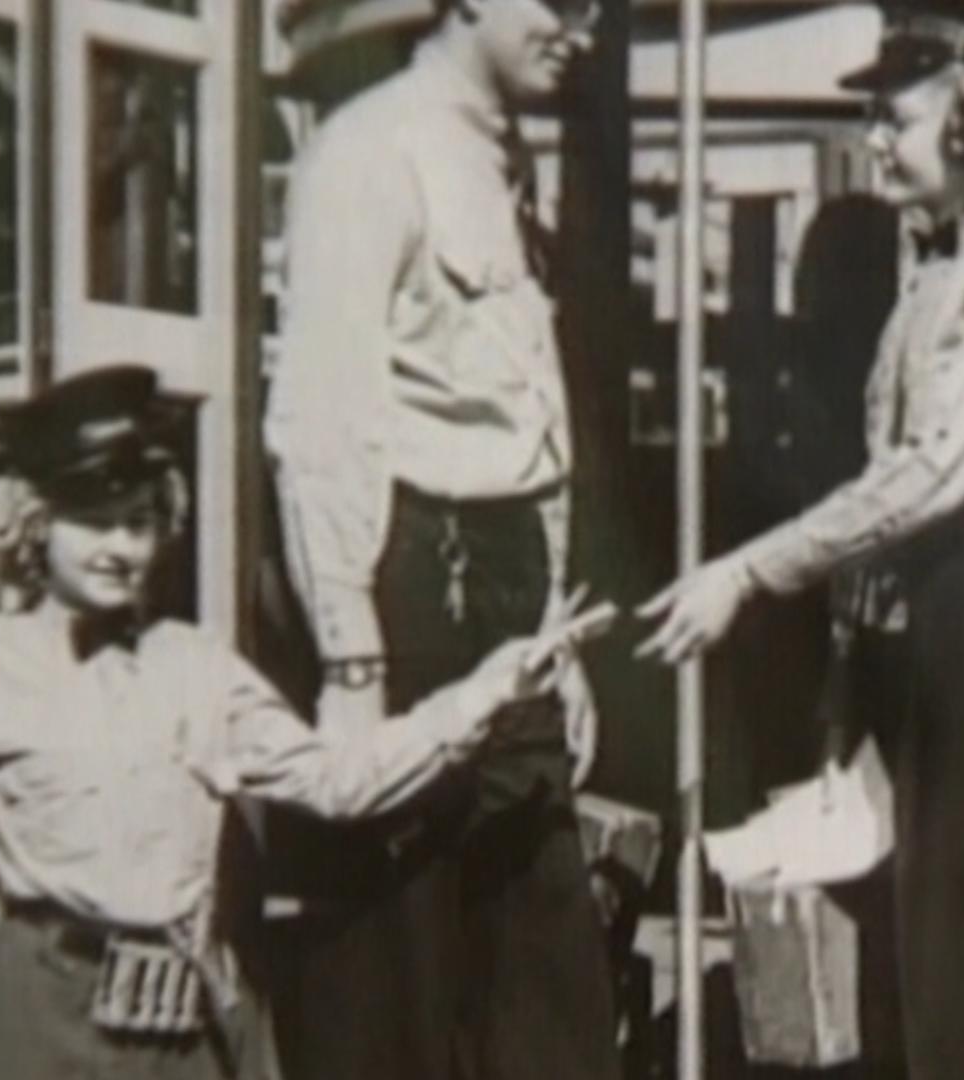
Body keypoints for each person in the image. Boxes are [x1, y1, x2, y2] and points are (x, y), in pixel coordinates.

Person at [0, 365, 565, 1080]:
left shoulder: (198, 668)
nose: (120, 547)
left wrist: (475, 697)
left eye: (139, 523)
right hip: (41, 1010)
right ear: (37, 528)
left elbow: (334, 781)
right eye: (94, 523)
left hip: (178, 1014)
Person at [637, 3, 964, 1076]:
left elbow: (931, 479)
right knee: (917, 976)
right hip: (925, 626)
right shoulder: (939, 276)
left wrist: (749, 573)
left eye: (898, 117)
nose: (878, 140)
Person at [259, 0, 619, 1073]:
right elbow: (321, 426)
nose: (584, 30)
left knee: (548, 1004)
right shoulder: (367, 153)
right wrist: (352, 665)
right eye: (563, 3)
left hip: (509, 600)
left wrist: (558, 642)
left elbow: (529, 420)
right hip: (408, 589)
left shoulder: (499, 160)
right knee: (398, 994)